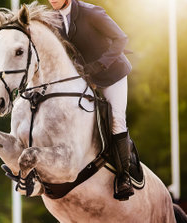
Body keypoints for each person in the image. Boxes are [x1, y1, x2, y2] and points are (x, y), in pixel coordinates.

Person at [48, 0, 134, 200]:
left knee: (116, 120)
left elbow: (121, 39)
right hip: (86, 76)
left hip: (112, 74)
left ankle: (124, 177)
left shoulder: (91, 12)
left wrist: (100, 65)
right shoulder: (53, 19)